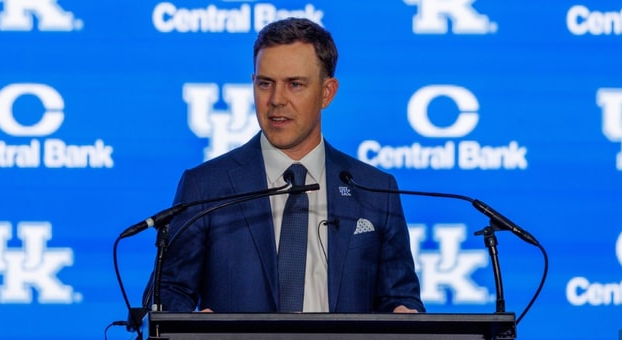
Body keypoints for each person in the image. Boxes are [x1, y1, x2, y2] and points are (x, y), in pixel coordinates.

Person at [143, 17, 424, 314]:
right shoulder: (206, 186)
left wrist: (404, 313)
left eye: (295, 85)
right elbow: (167, 292)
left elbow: (400, 297)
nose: (277, 100)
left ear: (327, 92)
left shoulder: (375, 190)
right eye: (265, 84)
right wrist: (192, 325)